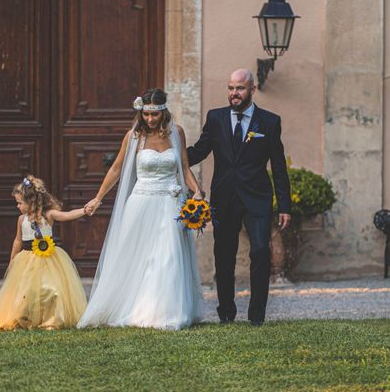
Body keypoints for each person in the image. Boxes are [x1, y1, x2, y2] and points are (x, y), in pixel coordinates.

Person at [78, 88, 205, 330]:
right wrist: (98, 198)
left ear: (163, 112)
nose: (149, 120)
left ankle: (166, 311)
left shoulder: (176, 133)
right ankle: (137, 307)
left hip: (170, 202)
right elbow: (116, 169)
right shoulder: (134, 136)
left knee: (168, 256)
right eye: (145, 115)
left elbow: (185, 168)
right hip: (141, 202)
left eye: (154, 115)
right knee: (139, 256)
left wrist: (196, 192)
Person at [187, 68, 291, 326]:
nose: (234, 93)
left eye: (240, 88)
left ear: (252, 90)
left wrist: (285, 206)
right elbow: (200, 151)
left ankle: (257, 316)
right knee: (224, 255)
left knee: (259, 251)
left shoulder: (269, 122)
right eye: (231, 88)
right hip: (224, 198)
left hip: (257, 198)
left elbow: (278, 166)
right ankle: (226, 313)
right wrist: (169, 153)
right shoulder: (216, 118)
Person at [0, 175, 88, 331]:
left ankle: (52, 320)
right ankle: (24, 319)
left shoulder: (49, 215)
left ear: (31, 201)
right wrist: (12, 259)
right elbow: (18, 241)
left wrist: (84, 210)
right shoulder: (21, 219)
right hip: (27, 260)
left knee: (51, 289)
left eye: (20, 203)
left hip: (49, 260)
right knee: (26, 291)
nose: (18, 206)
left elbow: (67, 215)